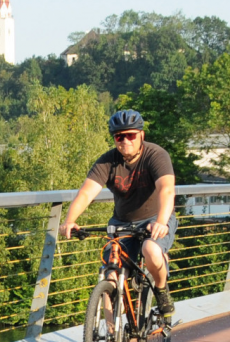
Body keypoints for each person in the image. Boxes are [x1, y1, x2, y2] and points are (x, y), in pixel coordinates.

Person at [60, 109, 178, 316]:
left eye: (130, 135)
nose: (125, 141)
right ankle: (110, 337)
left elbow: (167, 189)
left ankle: (161, 289)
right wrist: (70, 220)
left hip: (154, 218)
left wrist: (161, 221)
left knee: (151, 250)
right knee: (110, 274)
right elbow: (86, 193)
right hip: (122, 223)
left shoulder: (156, 155)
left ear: (141, 135)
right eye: (119, 136)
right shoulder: (108, 161)